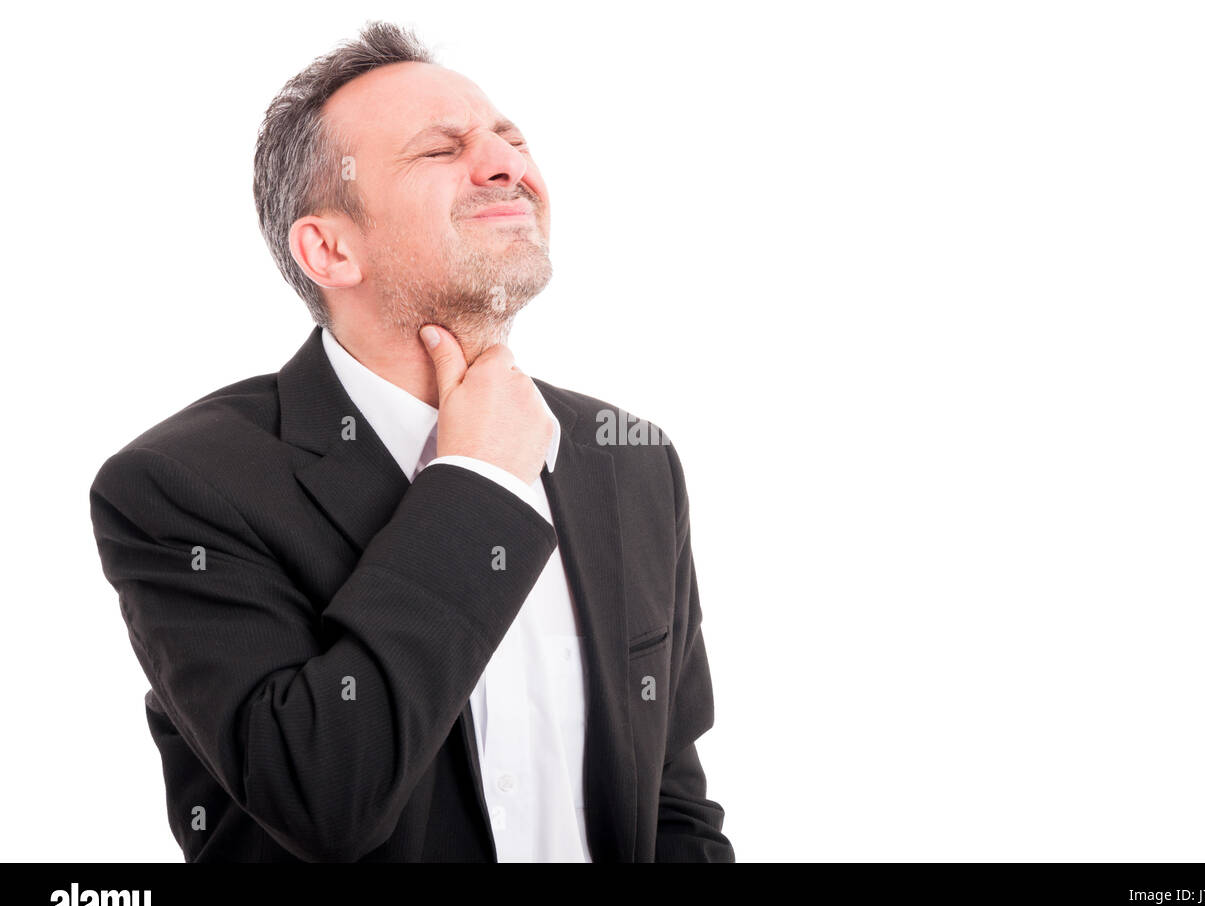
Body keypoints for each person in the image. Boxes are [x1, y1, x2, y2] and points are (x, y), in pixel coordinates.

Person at [87, 21, 733, 863]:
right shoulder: (179, 487)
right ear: (329, 247)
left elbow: (673, 801)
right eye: (440, 150)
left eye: (511, 137)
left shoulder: (632, 460)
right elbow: (324, 796)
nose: (506, 163)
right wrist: (477, 485)